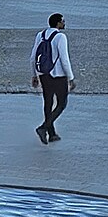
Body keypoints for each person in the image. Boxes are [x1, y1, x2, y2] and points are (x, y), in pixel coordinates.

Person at [31, 13, 75, 144]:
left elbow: (33, 57)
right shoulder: (61, 37)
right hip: (58, 75)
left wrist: (34, 74)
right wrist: (71, 77)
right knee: (61, 104)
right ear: (58, 23)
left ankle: (52, 133)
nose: (64, 23)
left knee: (48, 102)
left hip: (43, 74)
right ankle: (44, 128)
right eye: (63, 21)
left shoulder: (40, 35)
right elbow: (64, 59)